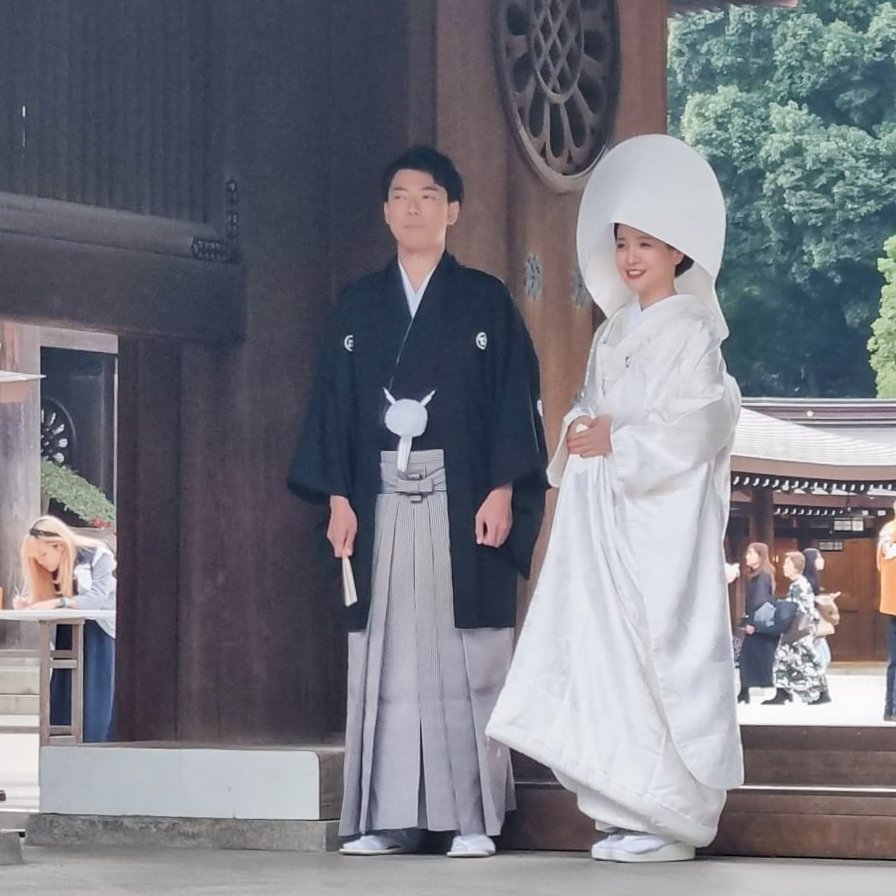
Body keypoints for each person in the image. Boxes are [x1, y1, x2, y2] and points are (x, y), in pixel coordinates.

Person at [486, 134, 743, 864]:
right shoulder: (610, 338)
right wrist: (584, 431)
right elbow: (584, 412)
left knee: (661, 654)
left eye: (648, 244)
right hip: (610, 528)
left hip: (660, 529)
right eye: (624, 243)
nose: (631, 257)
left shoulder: (693, 335)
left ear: (678, 254)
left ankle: (674, 814)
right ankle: (631, 803)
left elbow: (697, 428)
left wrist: (619, 445)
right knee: (611, 660)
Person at [287, 145, 547, 858]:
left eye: (429, 196)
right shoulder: (358, 306)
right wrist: (338, 497)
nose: (412, 207)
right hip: (376, 499)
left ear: (453, 211)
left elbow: (512, 403)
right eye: (400, 195)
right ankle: (387, 817)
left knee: (466, 655)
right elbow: (332, 408)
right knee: (388, 657)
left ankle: (473, 817)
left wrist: (502, 488)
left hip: (462, 495)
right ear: (385, 211)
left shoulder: (486, 300)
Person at [13, 516, 116, 742]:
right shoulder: (54, 567)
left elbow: (96, 599)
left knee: (95, 695)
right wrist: (30, 602)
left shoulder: (98, 555)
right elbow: (49, 598)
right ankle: (61, 742)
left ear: (59, 545)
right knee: (64, 693)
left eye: (43, 554)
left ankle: (96, 745)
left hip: (99, 632)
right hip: (68, 632)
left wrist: (58, 603)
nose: (40, 562)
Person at [764, 551, 824, 706]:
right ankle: (784, 692)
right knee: (789, 659)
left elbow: (795, 609)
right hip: (801, 629)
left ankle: (819, 692)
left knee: (805, 660)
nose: (784, 567)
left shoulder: (798, 586)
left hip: (798, 630)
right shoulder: (800, 584)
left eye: (787, 564)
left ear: (796, 567)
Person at [737, 543, 779, 704]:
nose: (747, 557)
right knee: (751, 658)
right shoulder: (760, 575)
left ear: (760, 556)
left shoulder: (762, 576)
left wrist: (751, 622)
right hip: (761, 624)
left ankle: (746, 691)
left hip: (758, 625)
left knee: (751, 658)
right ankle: (744, 691)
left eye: (750, 553)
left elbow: (759, 601)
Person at [803, 547, 836, 705]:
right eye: (819, 557)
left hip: (813, 625)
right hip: (812, 625)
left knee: (821, 657)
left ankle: (820, 692)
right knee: (820, 658)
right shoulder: (808, 581)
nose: (822, 560)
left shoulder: (812, 579)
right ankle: (818, 692)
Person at [876, 504, 896, 722]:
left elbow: (881, 564)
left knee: (894, 660)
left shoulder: (886, 531)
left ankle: (890, 708)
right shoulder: (890, 532)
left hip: (890, 602)